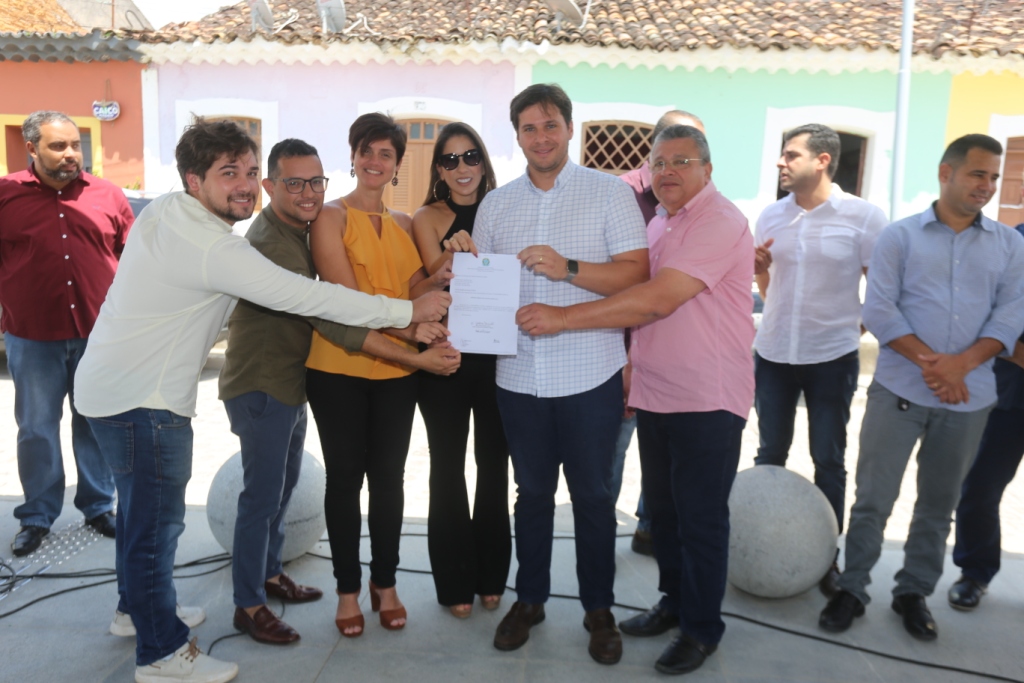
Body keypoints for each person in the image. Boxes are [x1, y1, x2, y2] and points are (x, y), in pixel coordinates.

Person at [74, 118, 449, 683]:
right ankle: (161, 651)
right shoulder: (218, 247)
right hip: (145, 401)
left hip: (121, 388)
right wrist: (407, 315)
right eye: (231, 174)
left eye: (249, 171)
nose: (246, 185)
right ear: (193, 179)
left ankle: (137, 608)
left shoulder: (171, 211)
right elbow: (313, 299)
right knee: (158, 527)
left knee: (144, 517)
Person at [517, 123, 754, 676]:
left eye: (682, 162)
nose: (668, 172)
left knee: (700, 519)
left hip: (708, 397)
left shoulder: (719, 221)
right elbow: (633, 298)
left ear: (707, 169)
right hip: (659, 392)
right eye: (659, 162)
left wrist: (563, 318)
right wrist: (630, 367)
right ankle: (674, 602)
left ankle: (701, 629)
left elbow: (655, 300)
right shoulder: (660, 224)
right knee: (664, 515)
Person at [219, 138, 460, 646]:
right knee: (268, 495)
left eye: (314, 181)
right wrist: (415, 348)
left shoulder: (308, 227)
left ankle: (281, 575)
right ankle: (254, 603)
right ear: (271, 187)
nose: (307, 192)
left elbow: (407, 290)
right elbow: (337, 314)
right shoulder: (283, 239)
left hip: (296, 379)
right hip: (271, 379)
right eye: (294, 183)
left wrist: (449, 267)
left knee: (291, 488)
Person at [468, 83, 649, 665]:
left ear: (570, 128)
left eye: (550, 125)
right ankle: (531, 599)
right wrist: (463, 276)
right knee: (532, 496)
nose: (541, 137)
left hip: (589, 375)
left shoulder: (609, 193)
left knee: (593, 496)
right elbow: (485, 288)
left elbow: (635, 276)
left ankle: (599, 609)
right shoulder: (496, 205)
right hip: (518, 377)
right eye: (529, 128)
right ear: (517, 136)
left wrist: (567, 268)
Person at [819, 134, 1024, 642]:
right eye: (977, 174)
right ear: (946, 172)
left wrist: (961, 367)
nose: (986, 186)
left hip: (968, 398)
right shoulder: (899, 237)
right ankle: (853, 588)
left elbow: (1010, 316)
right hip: (900, 389)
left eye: (993, 177)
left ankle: (913, 592)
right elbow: (879, 309)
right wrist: (936, 366)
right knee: (873, 499)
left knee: (938, 505)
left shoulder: (1010, 245)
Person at [305, 112, 455, 638]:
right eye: (366, 151)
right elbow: (348, 304)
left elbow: (416, 289)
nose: (374, 161)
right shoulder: (329, 217)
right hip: (337, 367)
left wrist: (448, 267)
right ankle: (348, 589)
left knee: (389, 480)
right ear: (352, 157)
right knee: (345, 478)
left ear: (396, 165)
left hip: (397, 370)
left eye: (385, 154)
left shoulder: (405, 224)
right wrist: (412, 320)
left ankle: (384, 583)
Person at [752, 124, 888, 596]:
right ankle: (761, 546)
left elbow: (881, 287)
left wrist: (853, 327)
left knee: (828, 460)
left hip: (831, 356)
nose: (781, 162)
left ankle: (826, 558)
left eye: (791, 154)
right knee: (770, 454)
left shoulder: (864, 217)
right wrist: (760, 272)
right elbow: (769, 289)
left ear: (822, 160)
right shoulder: (771, 216)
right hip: (774, 353)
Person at [0, 111, 130, 556]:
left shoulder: (108, 195)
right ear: (31, 148)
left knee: (95, 422)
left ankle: (99, 506)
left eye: (76, 144)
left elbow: (130, 258)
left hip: (99, 334)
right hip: (33, 334)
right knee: (36, 428)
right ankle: (37, 516)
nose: (71, 154)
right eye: (58, 146)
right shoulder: (5, 196)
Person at [411, 122, 511, 619]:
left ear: (483, 160)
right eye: (450, 160)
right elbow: (427, 286)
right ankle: (454, 582)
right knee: (447, 468)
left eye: (470, 156)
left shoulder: (506, 208)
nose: (462, 167)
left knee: (494, 466)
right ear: (439, 170)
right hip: (444, 356)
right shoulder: (426, 218)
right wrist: (450, 261)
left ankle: (492, 576)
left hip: (497, 359)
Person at [615, 109, 706, 557]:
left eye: (691, 155)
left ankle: (650, 528)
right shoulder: (621, 195)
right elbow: (619, 278)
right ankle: (599, 536)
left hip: (677, 359)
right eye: (671, 155)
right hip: (621, 350)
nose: (677, 167)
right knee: (613, 451)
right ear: (654, 150)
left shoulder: (705, 207)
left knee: (664, 461)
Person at [947, 203, 1024, 611]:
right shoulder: (1010, 245)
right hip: (1011, 390)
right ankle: (975, 571)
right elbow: (981, 315)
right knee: (980, 485)